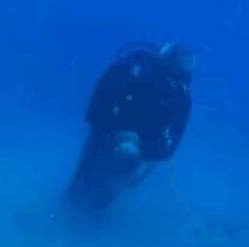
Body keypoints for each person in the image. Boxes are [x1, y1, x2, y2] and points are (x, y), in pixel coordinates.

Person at [66, 42, 194, 218]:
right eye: (184, 60)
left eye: (190, 61)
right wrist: (116, 137)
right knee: (78, 189)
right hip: (103, 139)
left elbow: (171, 145)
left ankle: (89, 226)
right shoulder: (129, 70)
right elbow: (95, 111)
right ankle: (67, 216)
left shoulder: (180, 95)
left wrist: (139, 148)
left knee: (101, 201)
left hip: (137, 153)